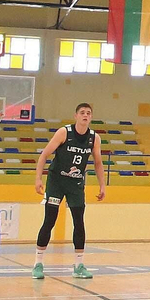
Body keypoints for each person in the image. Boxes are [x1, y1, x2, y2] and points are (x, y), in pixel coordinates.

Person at [31, 102, 105, 280]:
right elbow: (44, 155)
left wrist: (102, 185)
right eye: (82, 112)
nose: (85, 115)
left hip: (76, 184)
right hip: (57, 182)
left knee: (79, 222)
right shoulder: (64, 132)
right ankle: (38, 263)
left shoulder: (94, 138)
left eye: (88, 113)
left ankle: (79, 265)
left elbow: (98, 163)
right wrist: (38, 178)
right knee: (50, 220)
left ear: (91, 117)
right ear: (76, 116)